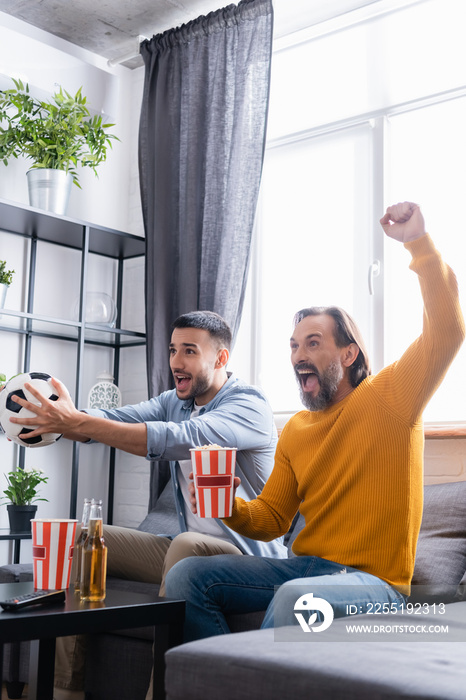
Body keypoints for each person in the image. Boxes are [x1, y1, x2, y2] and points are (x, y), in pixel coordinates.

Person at [164, 202, 465, 641]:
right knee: (187, 575)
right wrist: (228, 502)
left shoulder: (391, 397)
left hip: (376, 583)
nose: (298, 355)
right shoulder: (298, 431)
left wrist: (417, 243)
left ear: (348, 354)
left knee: (294, 597)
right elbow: (271, 517)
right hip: (305, 567)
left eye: (313, 342)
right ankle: (219, 678)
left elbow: (447, 330)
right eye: (292, 345)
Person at [10, 310, 287, 699]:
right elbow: (117, 418)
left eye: (189, 351)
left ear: (221, 359)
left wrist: (77, 423)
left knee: (185, 545)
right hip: (182, 547)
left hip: (246, 554)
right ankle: (64, 692)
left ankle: (160, 693)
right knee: (84, 538)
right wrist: (64, 418)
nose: (176, 362)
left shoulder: (248, 405)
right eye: (173, 350)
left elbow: (175, 438)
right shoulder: (175, 400)